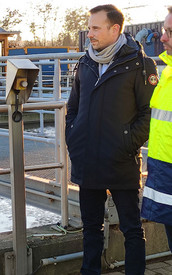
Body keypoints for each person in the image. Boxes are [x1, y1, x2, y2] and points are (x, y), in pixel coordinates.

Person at [65, 4, 158, 275]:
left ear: (114, 29)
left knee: (131, 229)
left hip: (122, 160)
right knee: (91, 228)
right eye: (90, 27)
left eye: (95, 28)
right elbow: (73, 107)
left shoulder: (141, 65)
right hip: (88, 159)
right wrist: (74, 137)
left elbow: (148, 114)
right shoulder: (84, 63)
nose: (89, 34)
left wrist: (127, 145)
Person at [141, 7, 172, 251]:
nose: (162, 38)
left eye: (170, 32)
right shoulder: (168, 72)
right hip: (164, 173)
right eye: (164, 31)